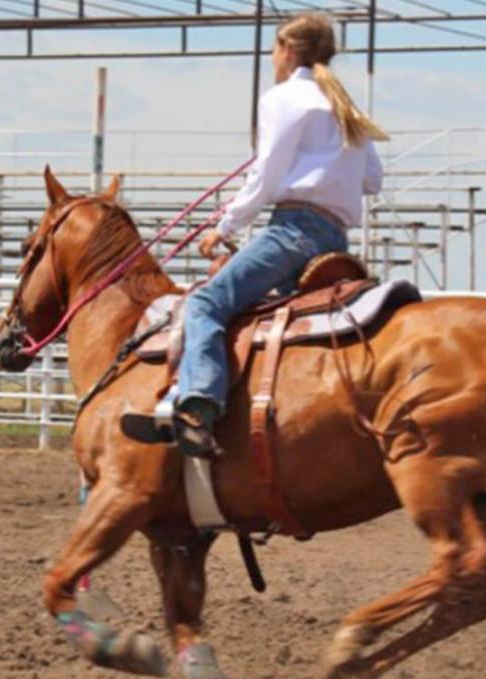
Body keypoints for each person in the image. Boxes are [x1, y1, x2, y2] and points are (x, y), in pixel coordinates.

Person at [126, 12, 386, 455]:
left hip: (293, 232)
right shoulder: (346, 108)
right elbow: (372, 180)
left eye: (273, 50)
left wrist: (224, 226)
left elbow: (265, 178)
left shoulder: (283, 99)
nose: (271, 58)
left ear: (286, 50)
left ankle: (198, 407)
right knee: (265, 320)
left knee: (206, 305)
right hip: (334, 241)